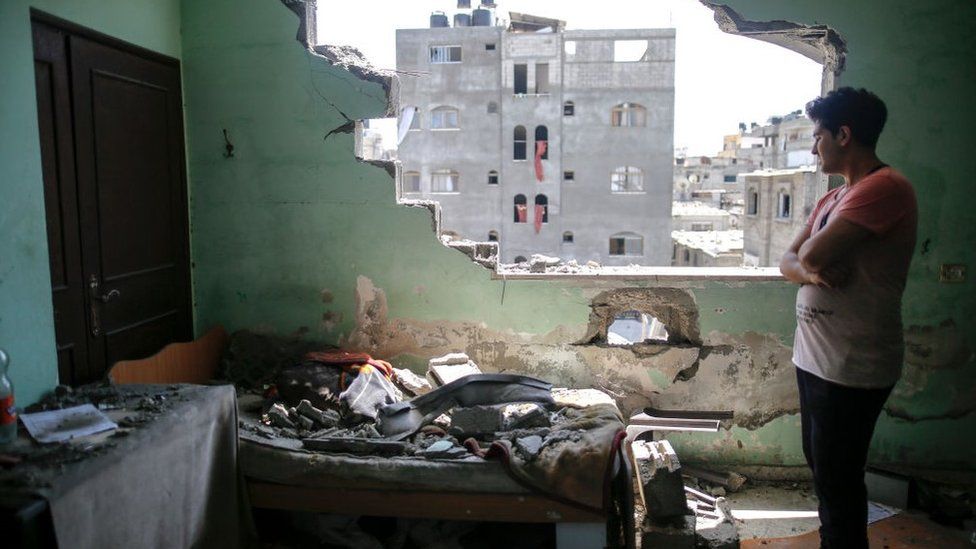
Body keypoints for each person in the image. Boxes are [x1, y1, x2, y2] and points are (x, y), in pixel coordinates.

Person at [779, 87, 917, 548]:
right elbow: (789, 263)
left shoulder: (884, 187)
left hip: (852, 365)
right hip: (816, 360)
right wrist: (813, 277)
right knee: (824, 470)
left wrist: (810, 265)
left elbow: (812, 252)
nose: (815, 146)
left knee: (838, 479)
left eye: (819, 136)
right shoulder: (833, 198)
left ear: (844, 134)